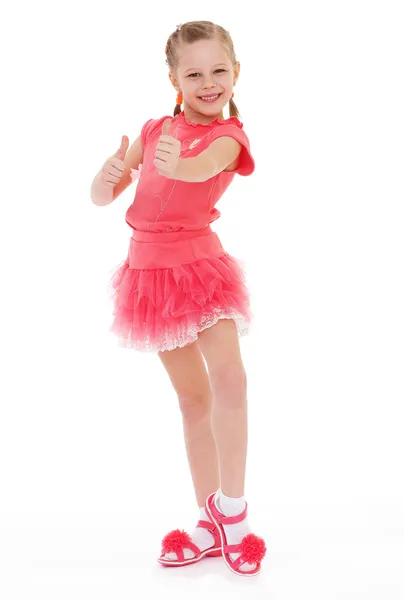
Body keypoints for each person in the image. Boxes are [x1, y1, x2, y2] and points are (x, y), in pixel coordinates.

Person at [90, 20, 267, 576]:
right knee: (193, 400)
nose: (208, 83)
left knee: (230, 380)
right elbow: (102, 197)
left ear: (235, 73)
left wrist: (176, 165)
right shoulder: (156, 126)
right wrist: (109, 172)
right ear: (175, 78)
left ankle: (234, 516)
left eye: (219, 71)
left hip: (200, 267)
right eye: (195, 73)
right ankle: (206, 519)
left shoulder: (229, 136)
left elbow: (203, 166)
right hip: (150, 274)